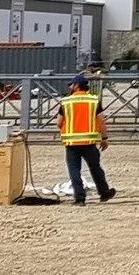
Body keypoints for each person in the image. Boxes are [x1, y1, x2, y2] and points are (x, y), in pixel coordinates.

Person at [57, 76, 115, 206]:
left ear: (77, 85)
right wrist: (104, 138)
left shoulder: (66, 102)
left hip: (71, 143)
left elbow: (59, 122)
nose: (69, 87)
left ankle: (79, 198)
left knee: (74, 170)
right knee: (95, 168)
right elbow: (101, 121)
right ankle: (104, 192)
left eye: (71, 85)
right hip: (89, 143)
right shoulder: (94, 101)